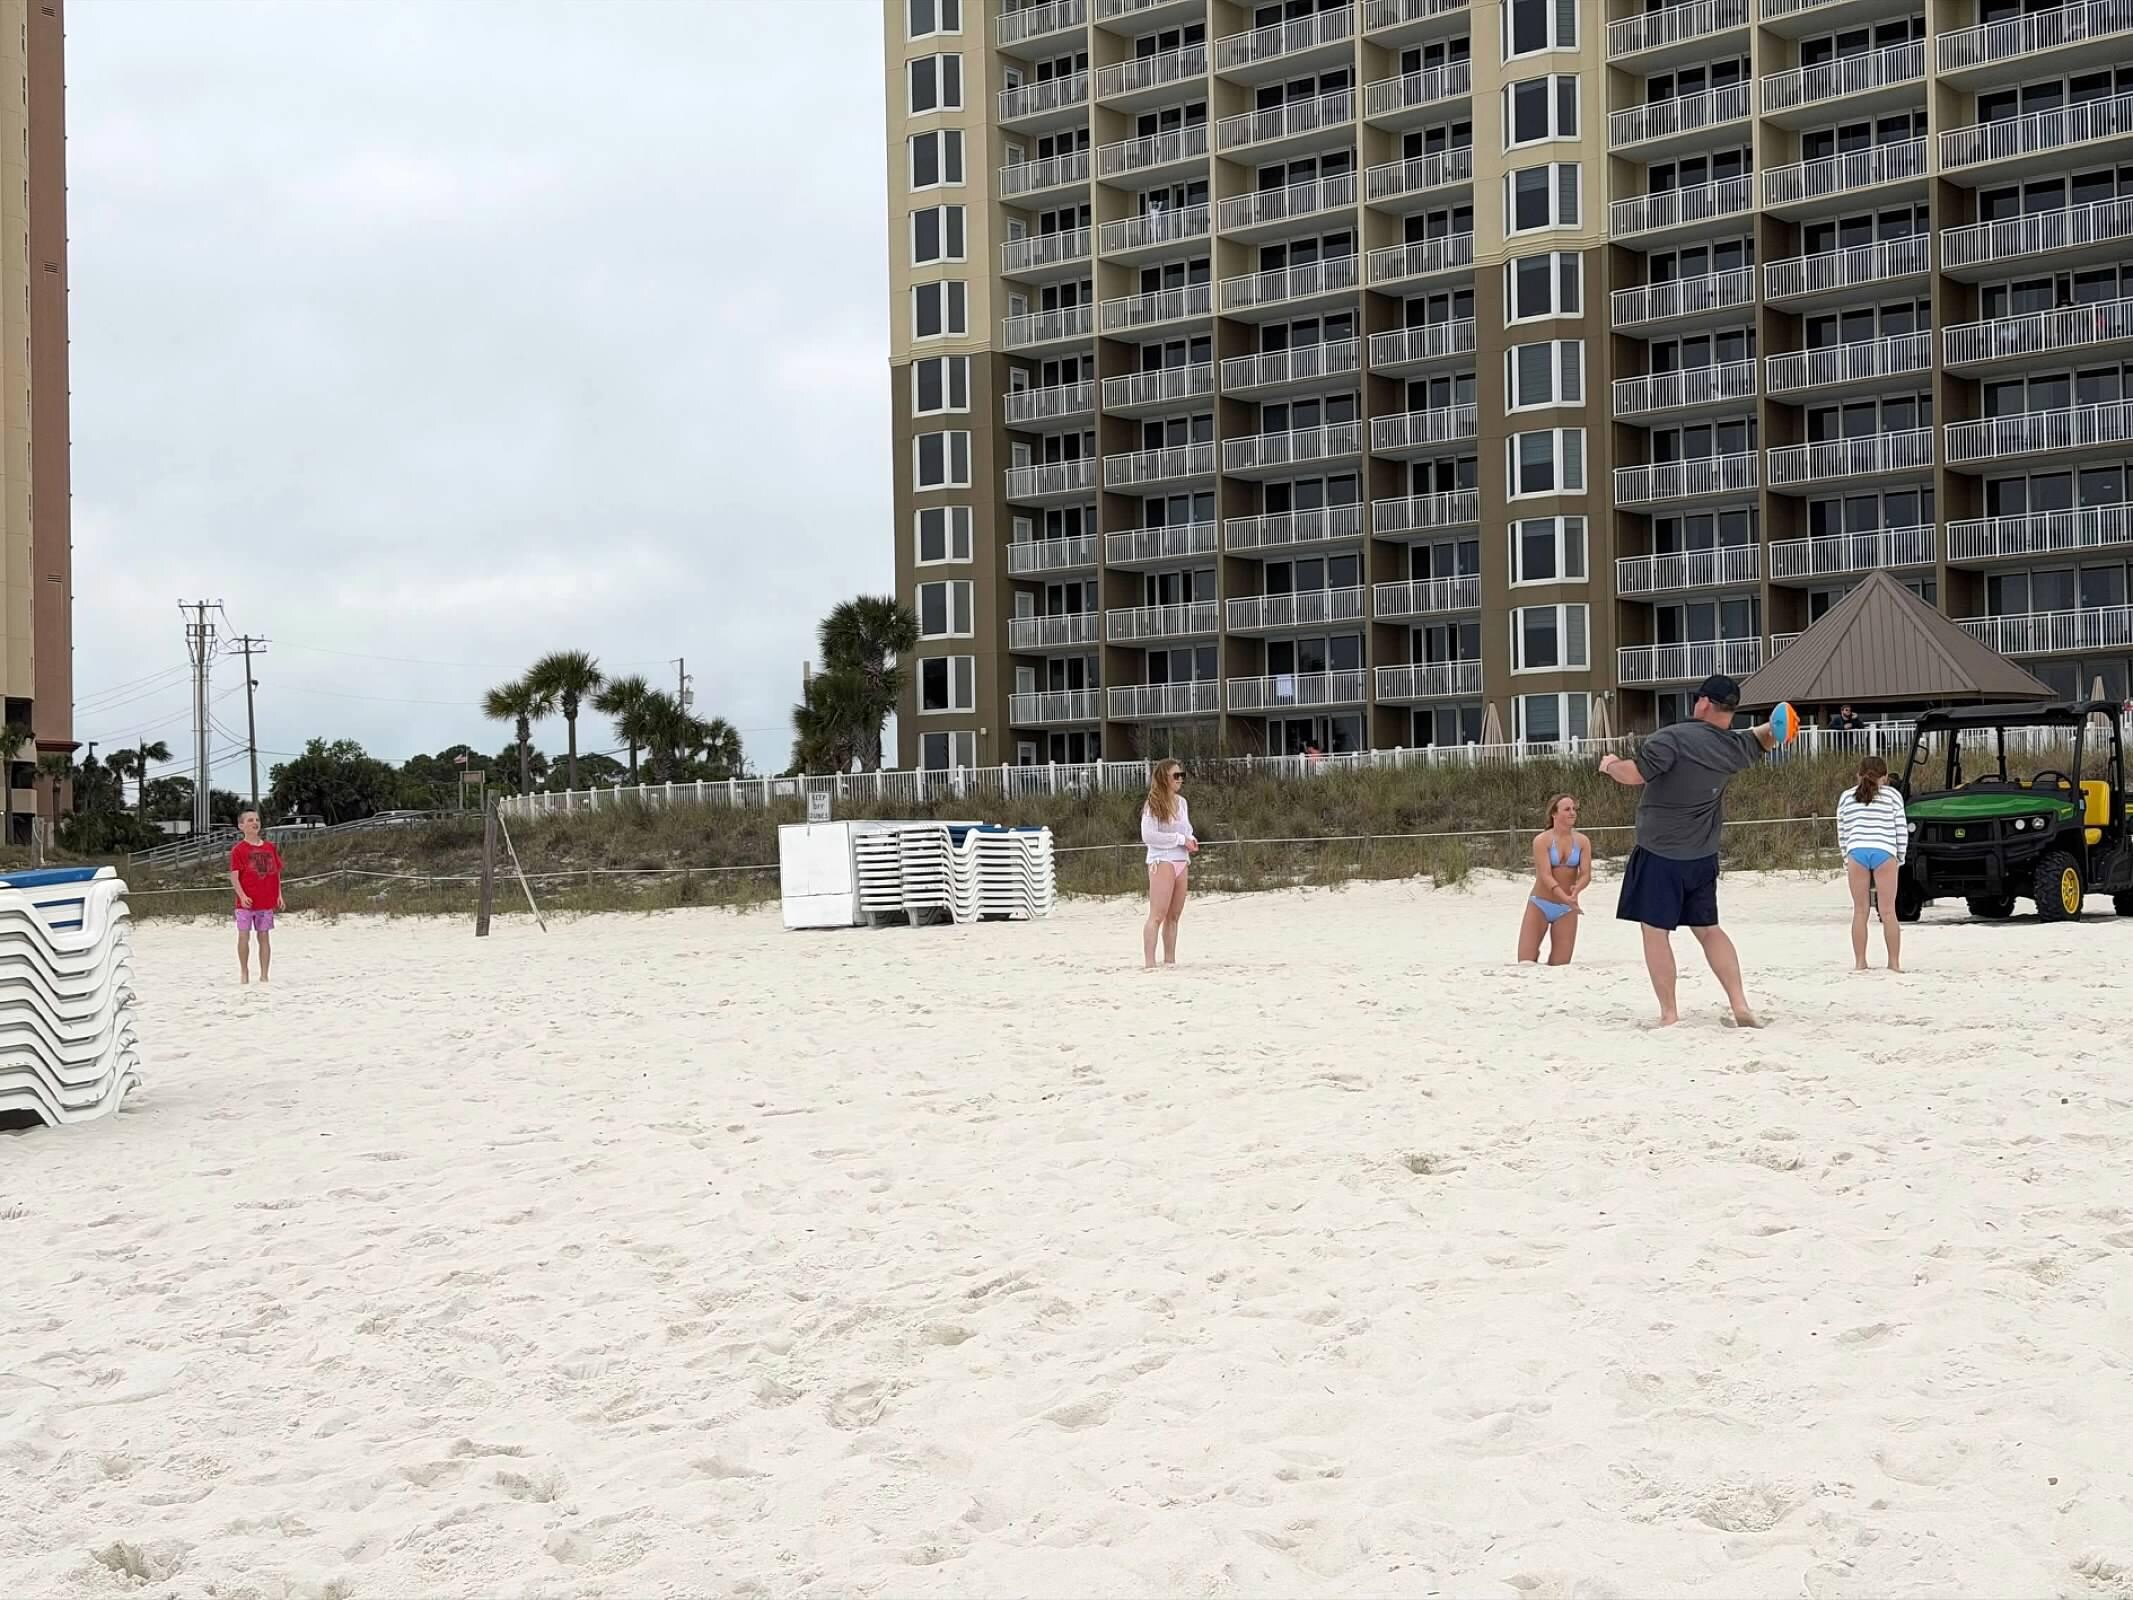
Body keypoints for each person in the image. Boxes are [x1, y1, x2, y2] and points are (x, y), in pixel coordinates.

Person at [1599, 674, 1780, 1027]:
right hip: (1702, 856)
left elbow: (1635, 775)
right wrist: (1779, 723)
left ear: (1704, 703)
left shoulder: (1672, 738)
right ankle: (1740, 1004)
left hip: (1659, 853)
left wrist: (1609, 765)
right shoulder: (1735, 748)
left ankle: (1669, 1013)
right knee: (1709, 929)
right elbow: (1764, 736)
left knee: (1655, 932)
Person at [1836, 755, 1907, 973]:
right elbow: (1900, 828)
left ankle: (1860, 962)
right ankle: (1893, 963)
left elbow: (1842, 829)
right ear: (1885, 777)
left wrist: (1846, 856)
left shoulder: (1847, 797)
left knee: (1860, 911)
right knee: (1888, 912)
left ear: (1859, 774)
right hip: (1884, 850)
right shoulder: (1893, 796)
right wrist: (1900, 856)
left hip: (1857, 850)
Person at [1517, 794, 1592, 966]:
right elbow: (1545, 876)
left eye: (1574, 809)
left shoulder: (1582, 841)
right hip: (1540, 904)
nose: (1572, 813)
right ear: (1554, 814)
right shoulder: (1542, 840)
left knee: (1561, 965)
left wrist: (1576, 890)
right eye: (1567, 809)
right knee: (1526, 962)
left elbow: (1586, 874)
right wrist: (1565, 896)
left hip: (1566, 909)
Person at [1140, 758, 1197, 969]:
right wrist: (1180, 840)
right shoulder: (1153, 804)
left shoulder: (1182, 802)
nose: (1180, 779)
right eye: (1175, 775)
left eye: (1181, 775)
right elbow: (1148, 835)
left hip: (1182, 859)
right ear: (1164, 778)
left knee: (1174, 916)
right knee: (1157, 914)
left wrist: (1190, 839)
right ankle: (1149, 963)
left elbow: (1186, 828)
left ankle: (1170, 960)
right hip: (1162, 859)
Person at [228, 810, 286, 986]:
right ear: (242, 826)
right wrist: (242, 895)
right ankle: (244, 971)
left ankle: (264, 974)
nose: (255, 823)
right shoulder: (239, 849)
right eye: (250, 820)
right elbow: (234, 877)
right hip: (245, 902)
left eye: (257, 820)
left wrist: (279, 895)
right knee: (244, 936)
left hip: (266, 900)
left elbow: (276, 873)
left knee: (264, 937)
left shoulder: (269, 847)